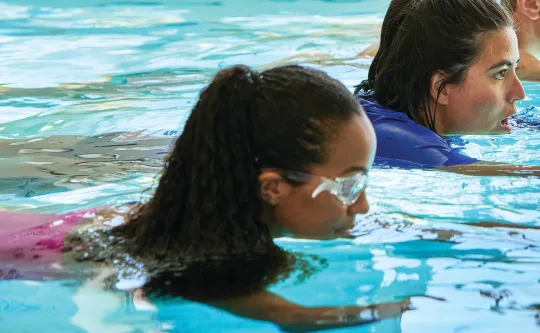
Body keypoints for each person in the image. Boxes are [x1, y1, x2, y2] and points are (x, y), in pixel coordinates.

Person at [0, 64, 421, 331]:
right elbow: (296, 318)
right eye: (348, 188)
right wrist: (402, 306)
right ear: (272, 188)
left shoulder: (199, 216)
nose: (361, 206)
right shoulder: (200, 265)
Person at [355, 0, 540, 176]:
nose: (520, 93)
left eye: (515, 69)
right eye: (500, 73)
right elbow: (467, 168)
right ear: (441, 88)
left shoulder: (417, 112)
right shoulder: (388, 136)